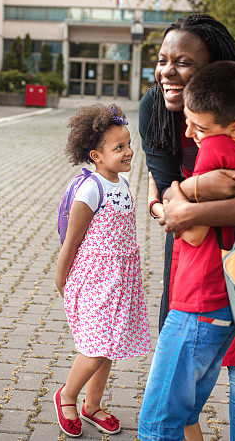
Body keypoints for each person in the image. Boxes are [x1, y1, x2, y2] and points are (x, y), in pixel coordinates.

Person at [139, 13, 235, 440]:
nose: (168, 72)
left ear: (213, 70)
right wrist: (194, 190)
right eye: (162, 60)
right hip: (192, 260)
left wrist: (191, 209)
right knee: (178, 356)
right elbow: (162, 196)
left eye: (184, 62)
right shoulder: (153, 107)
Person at [139, 60, 235, 441]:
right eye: (188, 121)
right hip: (223, 302)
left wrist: (171, 191)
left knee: (158, 425)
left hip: (197, 301)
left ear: (232, 125)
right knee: (185, 411)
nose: (189, 133)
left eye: (199, 126)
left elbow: (190, 234)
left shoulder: (215, 150)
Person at [53, 104, 151, 437]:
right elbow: (72, 240)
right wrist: (61, 275)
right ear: (96, 155)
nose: (128, 152)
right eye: (118, 147)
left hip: (121, 280)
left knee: (108, 346)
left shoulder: (122, 183)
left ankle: (92, 405)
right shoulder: (90, 188)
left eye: (128, 144)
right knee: (97, 345)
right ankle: (67, 395)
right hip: (94, 279)